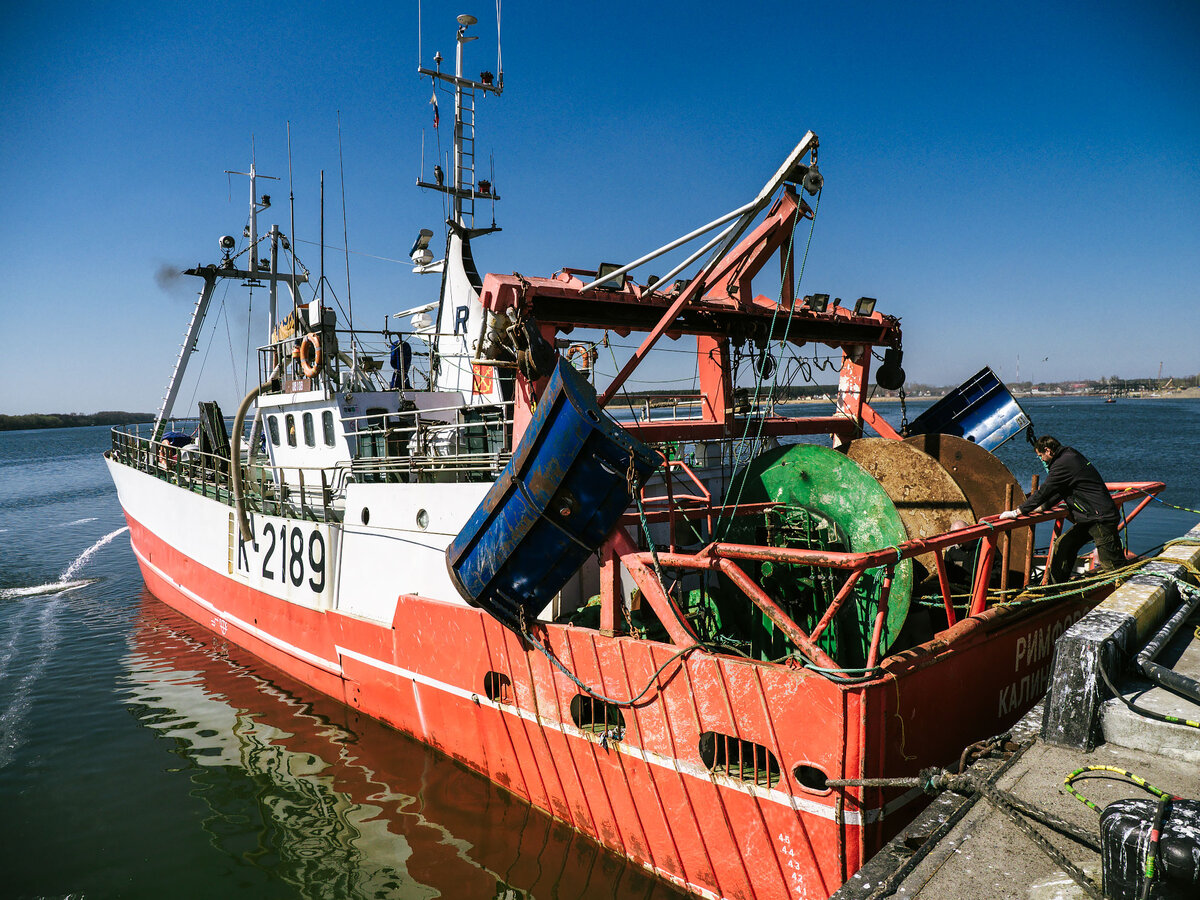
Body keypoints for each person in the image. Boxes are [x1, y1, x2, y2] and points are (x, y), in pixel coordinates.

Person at [997, 435, 1122, 583]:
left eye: (1040, 456)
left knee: (1113, 567)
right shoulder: (1068, 456)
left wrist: (1018, 512)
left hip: (1100, 519)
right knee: (1064, 545)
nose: (1042, 460)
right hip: (1090, 518)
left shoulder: (1063, 463)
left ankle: (1122, 594)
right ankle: (1056, 587)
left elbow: (1046, 490)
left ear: (1048, 450)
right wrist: (1043, 507)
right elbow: (1060, 490)